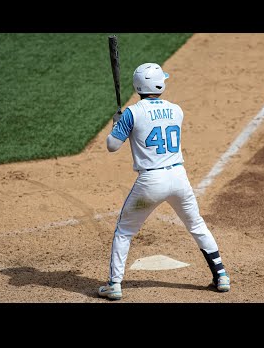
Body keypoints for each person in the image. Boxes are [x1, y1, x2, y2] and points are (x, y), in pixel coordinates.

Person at [98, 63, 230, 300]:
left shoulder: (132, 113)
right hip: (179, 180)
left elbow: (112, 146)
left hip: (150, 185)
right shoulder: (176, 110)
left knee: (124, 232)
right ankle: (221, 275)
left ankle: (114, 284)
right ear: (159, 84)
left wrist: (117, 124)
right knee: (197, 226)